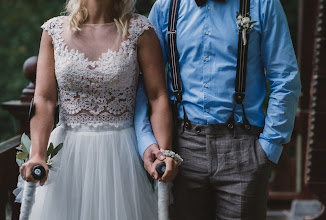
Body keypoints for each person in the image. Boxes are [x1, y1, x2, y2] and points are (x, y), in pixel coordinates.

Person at [135, 0, 302, 219]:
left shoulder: (262, 4)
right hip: (182, 150)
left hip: (244, 150)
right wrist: (148, 142)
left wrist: (267, 149)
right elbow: (146, 84)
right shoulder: (166, 6)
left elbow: (285, 78)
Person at [19, 0, 177, 219]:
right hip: (67, 155)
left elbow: (157, 96)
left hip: (121, 155)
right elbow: (44, 99)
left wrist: (164, 152)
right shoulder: (54, 31)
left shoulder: (140, 30)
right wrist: (38, 153)